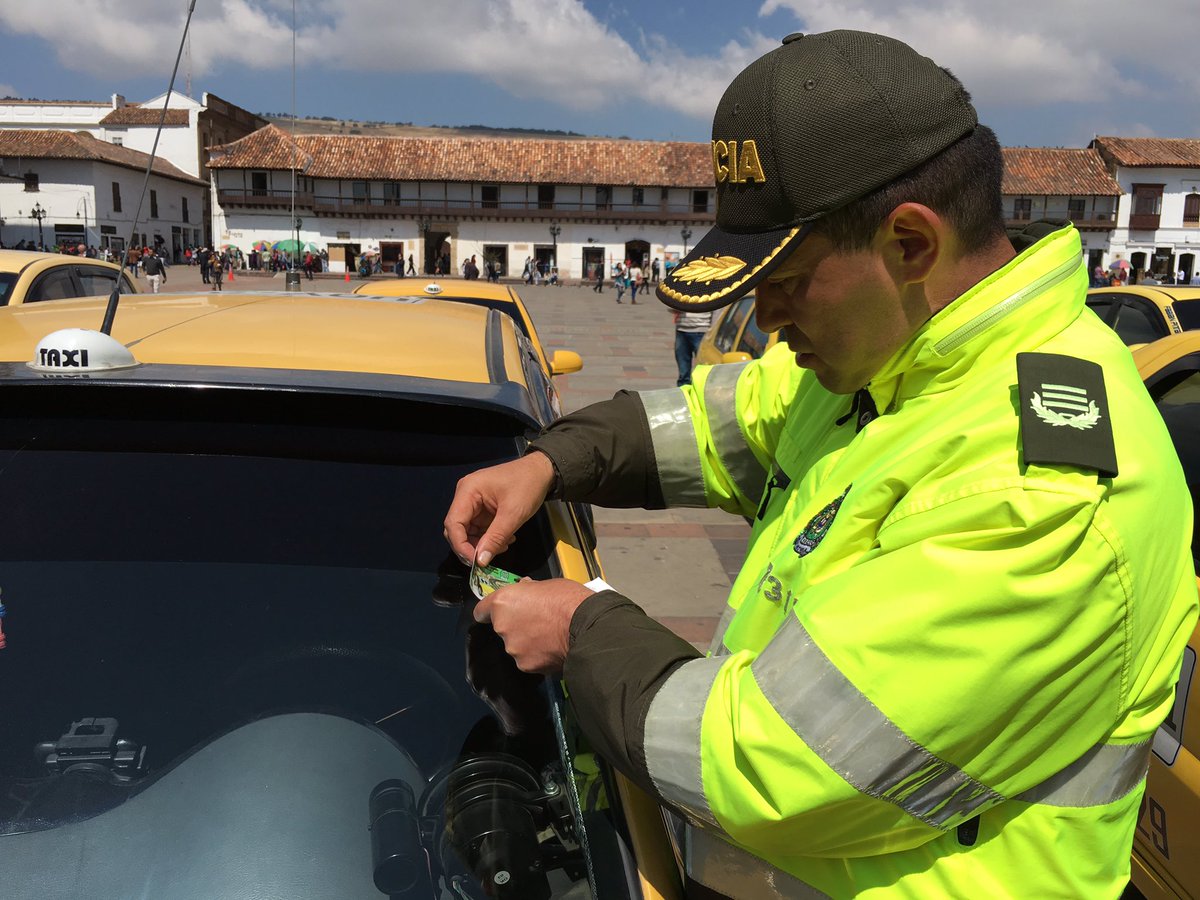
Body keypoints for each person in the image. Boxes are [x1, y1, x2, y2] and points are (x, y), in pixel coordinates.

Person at [442, 29, 1197, 898]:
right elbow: (721, 422)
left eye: (787, 281)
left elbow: (769, 766)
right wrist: (552, 462)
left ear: (910, 245)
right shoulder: (892, 358)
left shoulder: (1038, 492)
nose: (763, 317)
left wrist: (583, 630)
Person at [673, 307, 712, 386]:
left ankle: (699, 394)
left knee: (703, 370)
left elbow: (718, 308)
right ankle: (683, 396)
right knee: (683, 374)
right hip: (681, 329)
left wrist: (712, 330)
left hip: (702, 330)